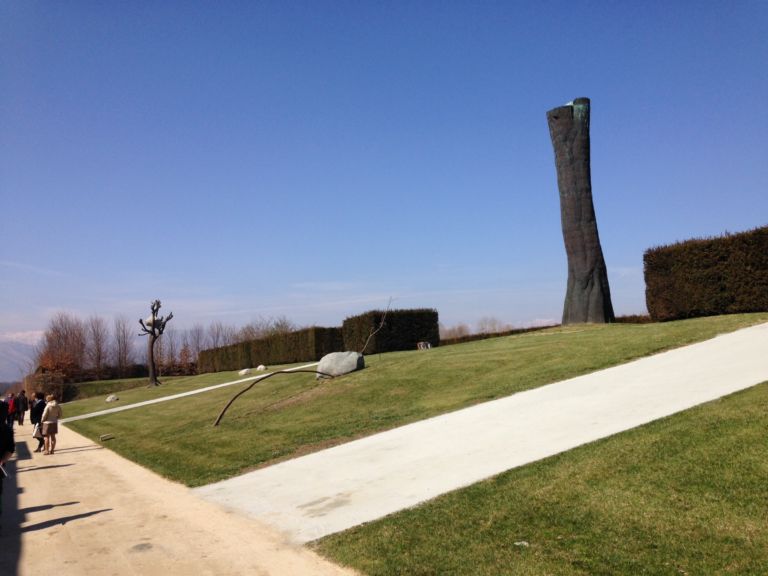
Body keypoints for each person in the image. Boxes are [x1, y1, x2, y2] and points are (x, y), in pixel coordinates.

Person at [0, 402, 16, 520]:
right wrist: (3, 460)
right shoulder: (7, 429)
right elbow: (10, 449)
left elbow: (10, 448)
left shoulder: (6, 429)